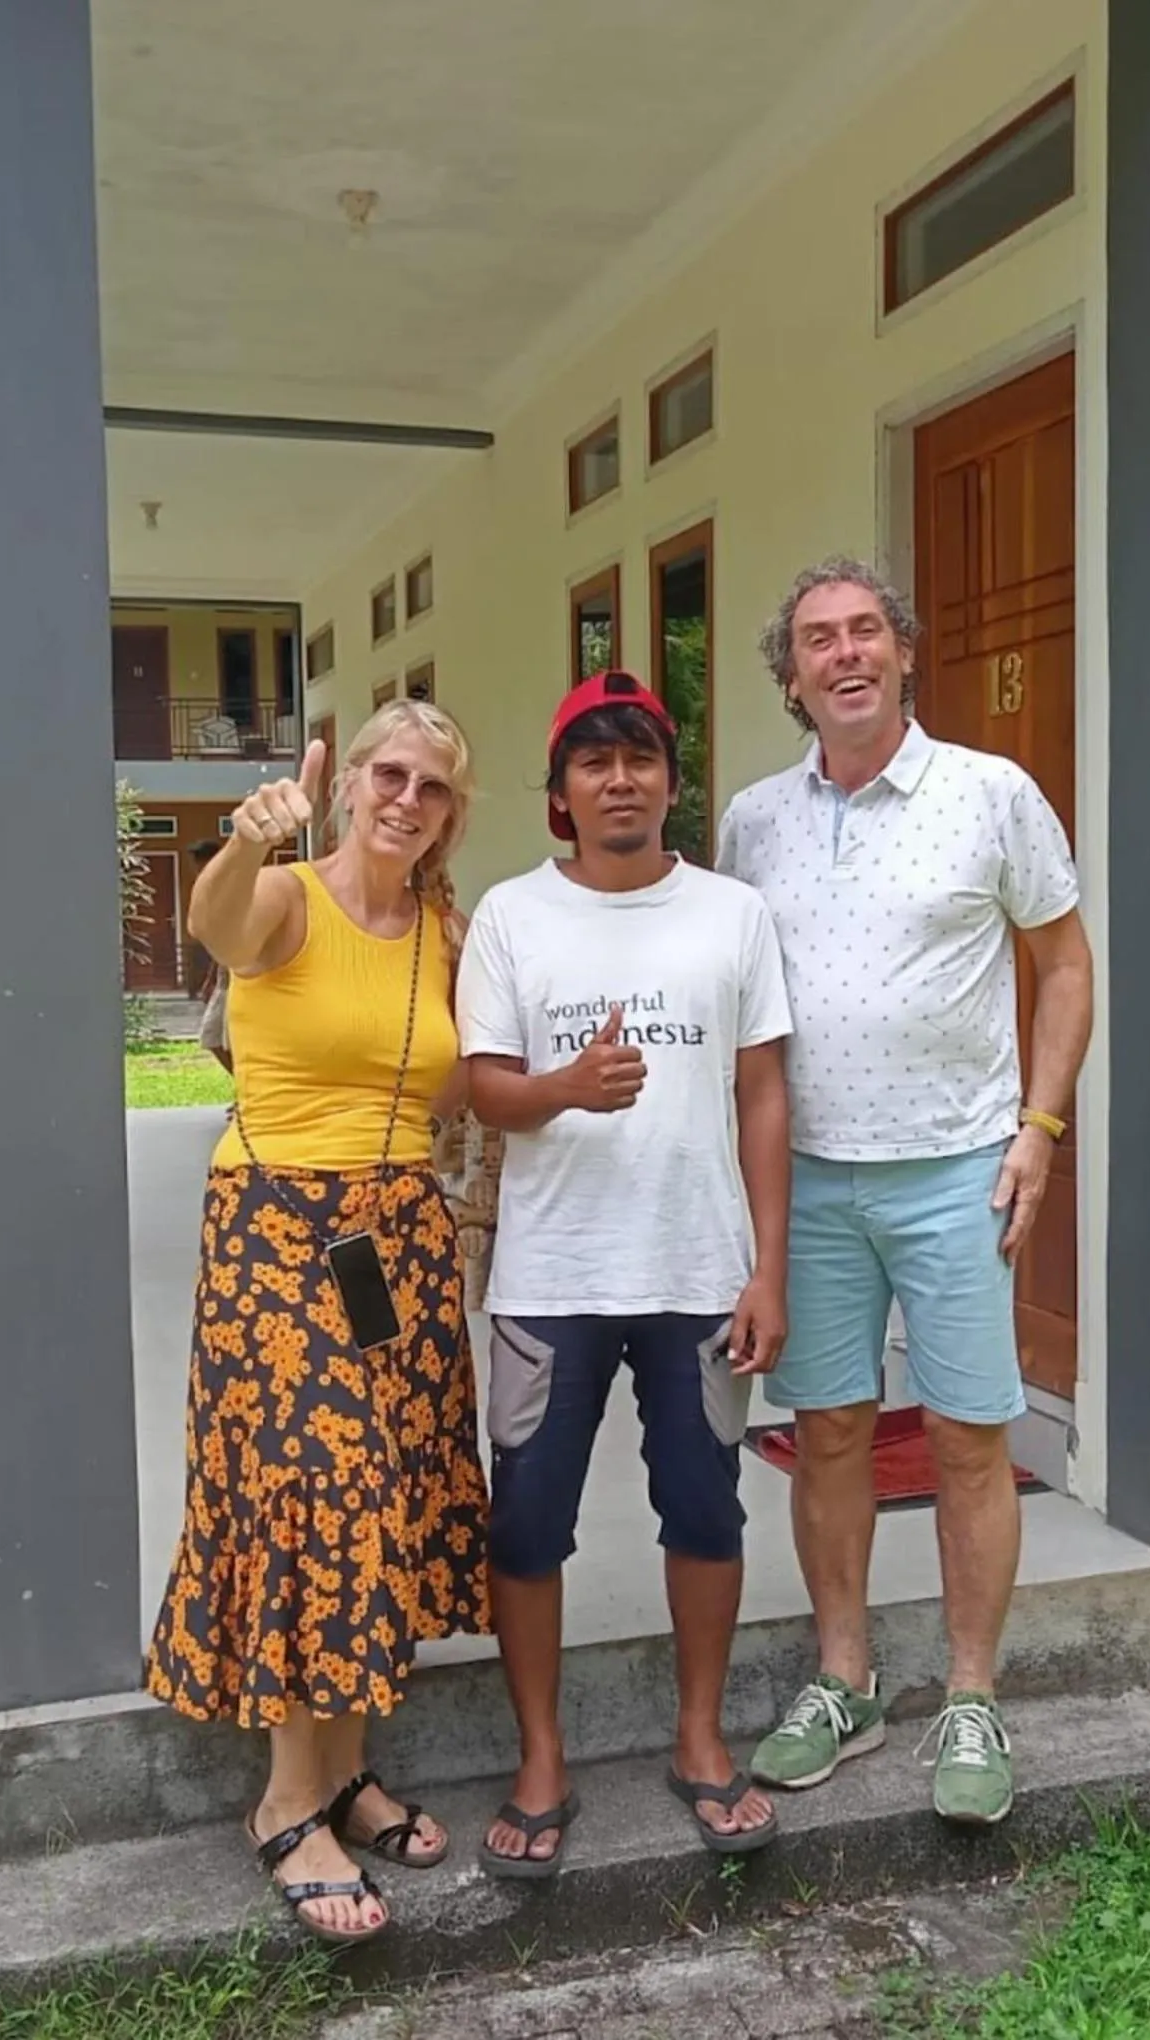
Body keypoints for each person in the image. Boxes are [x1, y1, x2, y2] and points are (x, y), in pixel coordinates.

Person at [716, 559, 1094, 1827]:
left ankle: (973, 1695)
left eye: (865, 629)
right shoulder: (753, 821)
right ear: (792, 677)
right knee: (826, 1429)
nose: (845, 655)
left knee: (971, 1437)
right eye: (817, 639)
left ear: (906, 651)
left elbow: (1065, 963)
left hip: (958, 1173)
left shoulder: (993, 795)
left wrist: (1040, 1127)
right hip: (810, 1183)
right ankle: (845, 1678)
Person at [145, 702, 491, 1945]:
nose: (405, 798)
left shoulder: (443, 931)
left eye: (433, 787)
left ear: (453, 812)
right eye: (387, 775)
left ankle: (344, 1775)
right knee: (318, 1485)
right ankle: (285, 1803)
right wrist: (243, 841)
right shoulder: (287, 895)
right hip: (277, 1224)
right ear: (347, 788)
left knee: (383, 1486)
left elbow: (462, 1078)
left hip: (395, 1234)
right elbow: (217, 926)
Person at [457, 669, 792, 1875]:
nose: (619, 780)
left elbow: (762, 1091)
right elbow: (483, 1084)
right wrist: (563, 1091)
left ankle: (700, 1739)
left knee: (705, 1507)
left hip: (700, 1270)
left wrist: (769, 1267)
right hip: (551, 1280)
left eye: (639, 758)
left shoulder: (732, 914)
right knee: (529, 1522)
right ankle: (541, 1752)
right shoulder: (510, 916)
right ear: (560, 795)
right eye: (593, 763)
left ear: (667, 781)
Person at [188, 838, 233, 1073]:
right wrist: (212, 976)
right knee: (214, 1037)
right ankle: (244, 1089)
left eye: (203, 864)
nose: (199, 870)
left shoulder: (232, 887)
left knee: (227, 1039)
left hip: (239, 972)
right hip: (225, 972)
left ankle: (247, 1092)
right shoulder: (209, 890)